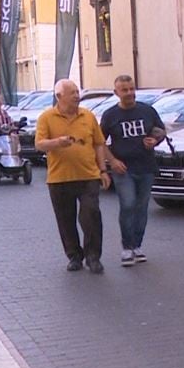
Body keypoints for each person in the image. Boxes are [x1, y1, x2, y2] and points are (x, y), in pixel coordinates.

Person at [35, 79, 112, 274]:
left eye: (77, 92)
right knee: (65, 219)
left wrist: (103, 170)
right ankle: (74, 256)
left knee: (91, 214)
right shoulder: (47, 117)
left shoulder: (88, 116)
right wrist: (57, 143)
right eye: (72, 93)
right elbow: (40, 144)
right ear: (60, 96)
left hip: (88, 175)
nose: (77, 96)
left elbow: (98, 143)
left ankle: (93, 257)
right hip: (59, 178)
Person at [100, 75, 166, 267]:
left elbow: (160, 130)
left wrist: (154, 139)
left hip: (145, 166)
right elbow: (100, 142)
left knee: (141, 207)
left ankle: (137, 245)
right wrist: (111, 161)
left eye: (131, 89)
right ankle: (127, 247)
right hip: (123, 168)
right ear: (116, 93)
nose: (129, 93)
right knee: (128, 204)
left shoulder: (147, 110)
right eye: (125, 90)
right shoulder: (110, 115)